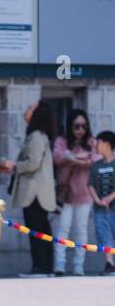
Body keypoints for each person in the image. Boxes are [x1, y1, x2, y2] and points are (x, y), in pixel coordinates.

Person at [2, 103, 56, 277]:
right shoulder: (39, 136)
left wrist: (13, 165)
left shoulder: (36, 137)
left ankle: (41, 267)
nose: (26, 110)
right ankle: (46, 267)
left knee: (36, 230)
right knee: (42, 230)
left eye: (30, 108)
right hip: (38, 192)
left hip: (34, 192)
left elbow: (33, 163)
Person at [51, 109, 95, 277]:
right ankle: (59, 265)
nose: (80, 130)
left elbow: (94, 159)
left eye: (84, 126)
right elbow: (56, 157)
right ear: (70, 126)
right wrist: (79, 158)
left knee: (81, 230)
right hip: (66, 193)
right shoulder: (62, 141)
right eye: (76, 126)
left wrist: (71, 158)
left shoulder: (91, 142)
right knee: (62, 228)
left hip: (84, 194)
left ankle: (78, 266)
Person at [87, 130, 115, 275]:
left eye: (98, 143)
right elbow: (90, 184)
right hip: (100, 210)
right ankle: (109, 263)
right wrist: (97, 200)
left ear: (107, 144)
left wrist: (110, 198)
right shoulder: (95, 166)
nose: (96, 146)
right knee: (104, 235)